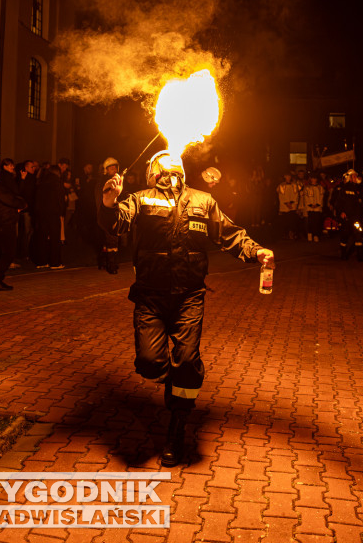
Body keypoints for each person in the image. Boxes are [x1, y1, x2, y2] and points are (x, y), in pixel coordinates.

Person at [98, 150, 274, 467]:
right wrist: (109, 203)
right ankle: (173, 382)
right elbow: (116, 224)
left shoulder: (203, 201)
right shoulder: (139, 200)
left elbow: (229, 235)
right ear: (153, 172)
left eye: (174, 166)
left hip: (189, 297)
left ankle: (176, 431)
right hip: (150, 297)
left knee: (187, 363)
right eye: (162, 168)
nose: (170, 170)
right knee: (150, 363)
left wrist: (256, 250)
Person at [31, 166, 66, 269]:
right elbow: (60, 199)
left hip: (41, 213)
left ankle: (42, 261)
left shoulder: (41, 182)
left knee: (42, 237)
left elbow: (36, 199)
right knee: (55, 238)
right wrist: (62, 212)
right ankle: (55, 262)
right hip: (54, 213)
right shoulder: (57, 182)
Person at [95, 157, 121, 273]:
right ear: (106, 170)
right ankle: (111, 265)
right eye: (111, 168)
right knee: (112, 240)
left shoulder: (115, 181)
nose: (114, 169)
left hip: (113, 213)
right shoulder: (105, 183)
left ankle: (105, 261)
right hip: (107, 214)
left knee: (108, 240)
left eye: (115, 167)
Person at [334, 169, 363, 260]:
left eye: (356, 176)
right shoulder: (344, 188)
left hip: (356, 217)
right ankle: (343, 254)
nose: (356, 178)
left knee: (358, 235)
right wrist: (341, 211)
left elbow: (361, 202)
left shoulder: (359, 188)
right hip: (346, 217)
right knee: (345, 236)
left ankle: (360, 255)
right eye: (354, 176)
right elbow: (338, 202)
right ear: (349, 178)